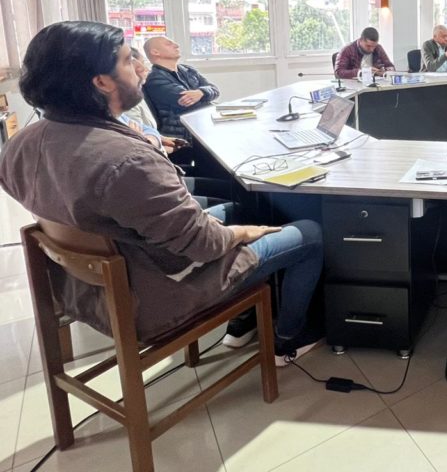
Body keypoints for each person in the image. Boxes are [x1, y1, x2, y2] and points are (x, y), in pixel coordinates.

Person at [0, 21, 324, 365]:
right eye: (129, 60)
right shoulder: (128, 160)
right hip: (152, 295)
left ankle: (243, 320)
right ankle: (288, 339)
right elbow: (204, 244)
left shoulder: (20, 144)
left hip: (87, 289)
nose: (141, 69)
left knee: (236, 209)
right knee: (309, 234)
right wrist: (245, 233)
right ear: (101, 82)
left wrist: (233, 228)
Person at [142, 36, 220, 138]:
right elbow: (188, 103)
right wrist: (206, 94)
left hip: (201, 125)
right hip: (184, 136)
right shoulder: (154, 78)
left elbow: (215, 90)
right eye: (169, 44)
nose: (176, 45)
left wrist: (201, 92)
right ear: (155, 52)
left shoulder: (188, 69)